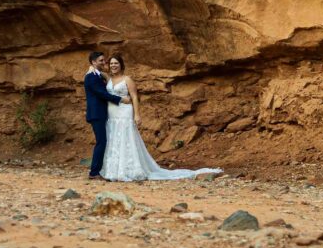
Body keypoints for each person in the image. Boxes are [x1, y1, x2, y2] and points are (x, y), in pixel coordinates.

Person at [100, 54, 222, 182]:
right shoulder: (108, 79)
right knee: (113, 137)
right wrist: (93, 68)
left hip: (125, 111)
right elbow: (97, 70)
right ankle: (113, 169)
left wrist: (137, 114)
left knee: (126, 137)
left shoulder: (127, 79)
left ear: (121, 65)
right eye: (112, 63)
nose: (114, 65)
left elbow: (134, 97)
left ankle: (128, 169)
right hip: (112, 112)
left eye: (116, 63)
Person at [83, 50, 123, 179]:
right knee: (101, 142)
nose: (103, 62)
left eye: (104, 60)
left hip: (101, 113)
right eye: (101, 61)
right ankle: (94, 172)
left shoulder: (97, 75)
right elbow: (102, 93)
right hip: (97, 114)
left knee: (103, 141)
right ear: (93, 62)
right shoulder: (91, 77)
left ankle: (98, 170)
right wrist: (120, 99)